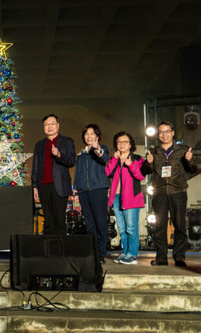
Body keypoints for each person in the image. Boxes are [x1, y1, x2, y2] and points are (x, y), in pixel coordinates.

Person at [141, 121, 197, 267]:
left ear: (172, 132)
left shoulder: (183, 150)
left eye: (167, 131)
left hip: (178, 191)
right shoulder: (153, 152)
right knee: (159, 225)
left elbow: (193, 169)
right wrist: (148, 163)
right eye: (161, 132)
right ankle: (161, 257)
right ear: (158, 135)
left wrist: (190, 161)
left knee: (179, 224)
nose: (164, 134)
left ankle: (179, 256)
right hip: (159, 192)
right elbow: (144, 172)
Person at [31, 114, 76, 235]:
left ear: (58, 125)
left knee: (60, 221)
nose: (49, 127)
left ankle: (61, 251)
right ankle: (50, 251)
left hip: (60, 186)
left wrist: (59, 155)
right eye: (46, 125)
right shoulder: (39, 145)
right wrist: (34, 186)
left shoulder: (67, 141)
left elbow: (72, 161)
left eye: (52, 124)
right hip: (44, 186)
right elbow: (35, 166)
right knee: (48, 222)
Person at [105, 131, 145, 265]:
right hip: (116, 197)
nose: (122, 144)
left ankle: (132, 254)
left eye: (125, 142)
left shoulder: (138, 158)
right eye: (119, 142)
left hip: (131, 198)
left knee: (131, 228)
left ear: (130, 144)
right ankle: (125, 252)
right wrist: (115, 159)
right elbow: (107, 173)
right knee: (121, 229)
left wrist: (130, 164)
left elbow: (141, 176)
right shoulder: (113, 159)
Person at [73, 124, 110, 263]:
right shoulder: (81, 154)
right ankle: (93, 252)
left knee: (100, 221)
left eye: (92, 134)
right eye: (86, 134)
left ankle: (101, 253)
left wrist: (97, 149)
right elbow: (77, 173)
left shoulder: (102, 149)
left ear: (97, 136)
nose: (89, 136)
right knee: (89, 223)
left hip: (98, 189)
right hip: (83, 191)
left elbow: (103, 158)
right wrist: (76, 190)